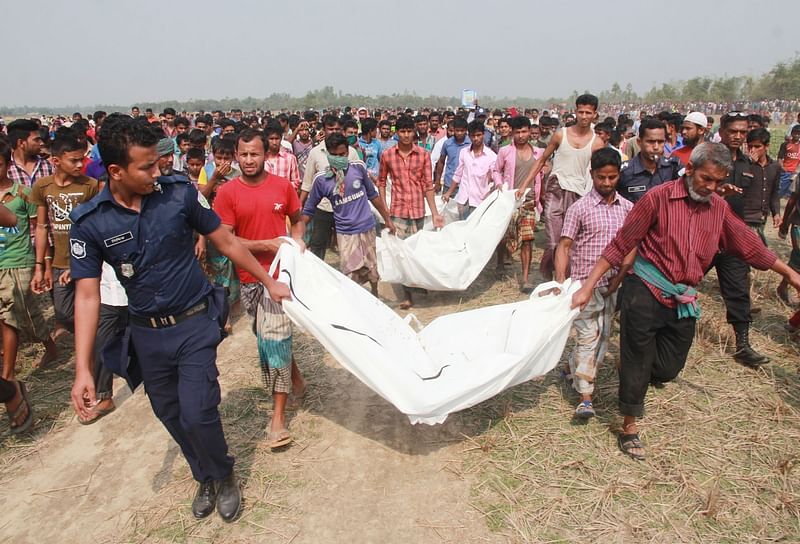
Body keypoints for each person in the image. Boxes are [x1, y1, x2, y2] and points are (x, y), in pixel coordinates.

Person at [69, 114, 291, 522]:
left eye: (158, 162)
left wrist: (267, 280)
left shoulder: (179, 194)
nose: (158, 171)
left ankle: (224, 475)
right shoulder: (90, 222)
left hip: (193, 323)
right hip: (146, 336)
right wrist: (83, 368)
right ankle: (202, 474)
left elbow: (225, 239)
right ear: (115, 171)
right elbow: (86, 297)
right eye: (146, 166)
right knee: (169, 413)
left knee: (198, 411)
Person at [571, 143, 800, 460]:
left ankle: (636, 370)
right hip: (645, 287)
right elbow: (622, 242)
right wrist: (588, 287)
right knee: (638, 356)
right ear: (690, 169)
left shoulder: (718, 208)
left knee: (667, 367)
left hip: (682, 296)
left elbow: (749, 244)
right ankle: (629, 427)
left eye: (719, 182)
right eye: (707, 179)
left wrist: (789, 273)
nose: (712, 188)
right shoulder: (657, 198)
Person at [214, 128, 306, 451]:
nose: (249, 160)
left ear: (266, 155)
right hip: (249, 280)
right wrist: (264, 243)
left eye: (255, 154)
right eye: (244, 155)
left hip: (280, 279)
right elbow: (226, 240)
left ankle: (278, 418)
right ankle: (296, 379)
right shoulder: (227, 194)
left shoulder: (283, 187)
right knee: (267, 339)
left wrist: (297, 238)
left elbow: (297, 218)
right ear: (236, 156)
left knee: (276, 340)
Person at [555, 148, 633, 418]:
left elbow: (631, 246)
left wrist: (620, 277)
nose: (607, 183)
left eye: (612, 177)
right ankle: (585, 396)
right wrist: (561, 283)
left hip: (613, 284)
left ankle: (571, 366)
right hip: (583, 285)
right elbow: (564, 246)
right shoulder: (579, 209)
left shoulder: (627, 208)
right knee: (589, 338)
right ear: (592, 175)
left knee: (604, 334)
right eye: (602, 178)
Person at [515, 94, 605, 280]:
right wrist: (524, 185)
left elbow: (599, 173)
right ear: (575, 111)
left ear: (595, 115)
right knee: (554, 240)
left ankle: (567, 281)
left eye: (588, 112)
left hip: (580, 194)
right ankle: (554, 280)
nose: (584, 116)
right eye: (581, 112)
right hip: (556, 190)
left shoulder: (597, 142)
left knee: (572, 241)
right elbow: (541, 160)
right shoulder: (560, 135)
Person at [303, 133, 396, 296]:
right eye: (334, 155)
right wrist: (297, 233)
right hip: (346, 233)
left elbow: (373, 195)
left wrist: (387, 219)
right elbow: (309, 210)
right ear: (327, 154)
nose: (339, 158)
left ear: (348, 152)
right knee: (351, 274)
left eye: (342, 154)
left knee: (371, 269)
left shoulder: (358, 168)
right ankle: (357, 302)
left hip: (366, 227)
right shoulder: (321, 180)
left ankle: (375, 295)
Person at [0, 136, 59, 382]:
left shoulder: (23, 194)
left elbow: (39, 229)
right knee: (8, 317)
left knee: (23, 314)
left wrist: (42, 264)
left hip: (19, 260)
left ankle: (46, 347)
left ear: (7, 165)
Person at [713, 112, 769, 367]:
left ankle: (742, 344)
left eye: (742, 132)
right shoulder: (707, 159)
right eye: (733, 131)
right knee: (680, 282)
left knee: (738, 290)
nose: (737, 136)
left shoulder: (748, 165)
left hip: (732, 238)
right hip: (704, 234)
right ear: (722, 131)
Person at [31, 129, 99, 339]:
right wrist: (41, 266)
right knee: (63, 311)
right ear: (56, 160)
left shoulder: (90, 186)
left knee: (90, 307)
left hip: (86, 261)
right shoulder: (43, 187)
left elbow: (95, 227)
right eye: (74, 161)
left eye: (82, 159)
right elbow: (42, 227)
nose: (80, 165)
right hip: (59, 261)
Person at [377, 116, 444, 309]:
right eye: (402, 131)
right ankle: (408, 295)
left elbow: (428, 185)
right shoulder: (388, 155)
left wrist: (435, 212)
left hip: (418, 210)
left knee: (416, 251)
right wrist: (384, 210)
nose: (406, 135)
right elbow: (381, 182)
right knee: (401, 254)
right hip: (397, 210)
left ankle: (419, 285)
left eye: (409, 131)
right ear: (397, 133)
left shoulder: (423, 155)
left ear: (413, 132)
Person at [300, 115, 360, 260]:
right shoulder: (315, 152)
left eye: (337, 129)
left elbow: (358, 180)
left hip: (346, 207)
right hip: (323, 207)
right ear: (324, 130)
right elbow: (308, 183)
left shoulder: (351, 152)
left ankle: (348, 278)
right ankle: (316, 276)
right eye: (330, 129)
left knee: (349, 245)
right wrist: (299, 206)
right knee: (318, 245)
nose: (334, 132)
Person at [495, 116, 544, 291]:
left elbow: (541, 174)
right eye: (518, 132)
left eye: (524, 131)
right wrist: (499, 185)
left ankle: (525, 278)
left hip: (529, 202)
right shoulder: (505, 151)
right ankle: (500, 261)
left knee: (528, 240)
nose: (521, 135)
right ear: (512, 133)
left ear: (530, 132)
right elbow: (496, 170)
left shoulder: (538, 152)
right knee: (504, 235)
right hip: (509, 201)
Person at [442, 121, 499, 220]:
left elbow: (495, 177)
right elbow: (458, 175)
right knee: (463, 230)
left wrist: (491, 192)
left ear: (483, 135)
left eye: (478, 135)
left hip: (480, 201)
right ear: (469, 136)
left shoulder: (492, 157)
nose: (476, 138)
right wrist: (449, 193)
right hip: (463, 200)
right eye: (473, 136)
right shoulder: (464, 152)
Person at [617, 119, 682, 203]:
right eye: (650, 142)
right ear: (639, 142)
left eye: (660, 142)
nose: (656, 147)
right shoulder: (624, 172)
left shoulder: (673, 167)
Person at [743, 128, 781, 245]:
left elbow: (774, 192)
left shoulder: (774, 167)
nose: (753, 150)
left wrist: (776, 212)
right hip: (745, 216)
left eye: (757, 146)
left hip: (762, 217)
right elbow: (741, 186)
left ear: (766, 146)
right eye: (750, 146)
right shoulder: (743, 164)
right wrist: (750, 165)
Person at [6, 119, 53, 187]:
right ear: (21, 143)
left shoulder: (47, 166)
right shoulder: (6, 169)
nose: (41, 143)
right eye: (36, 140)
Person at [433, 116, 470, 194]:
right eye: (457, 130)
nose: (459, 133)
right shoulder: (447, 143)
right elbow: (441, 162)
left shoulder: (470, 144)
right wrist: (437, 181)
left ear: (466, 131)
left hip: (466, 184)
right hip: (449, 183)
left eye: (462, 131)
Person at [263, 122, 301, 190]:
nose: (274, 142)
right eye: (271, 139)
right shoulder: (261, 159)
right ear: (266, 139)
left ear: (281, 139)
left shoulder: (290, 159)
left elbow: (296, 182)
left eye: (277, 139)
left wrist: (280, 187)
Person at [777, 124, 800, 198]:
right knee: (779, 193)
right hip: (785, 172)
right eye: (795, 133)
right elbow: (780, 158)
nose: (796, 135)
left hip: (795, 173)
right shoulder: (786, 144)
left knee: (792, 195)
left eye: (798, 133)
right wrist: (782, 167)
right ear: (792, 133)